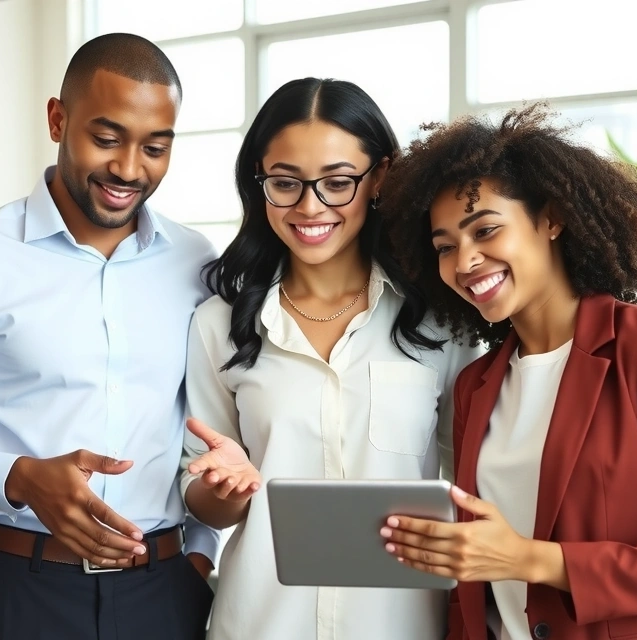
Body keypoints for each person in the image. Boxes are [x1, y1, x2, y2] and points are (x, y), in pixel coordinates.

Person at [0, 33, 218, 640]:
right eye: (106, 139)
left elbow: (209, 434)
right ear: (57, 119)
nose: (129, 168)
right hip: (19, 594)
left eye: (155, 147)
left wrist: (199, 556)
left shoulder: (198, 266)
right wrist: (17, 477)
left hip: (166, 593)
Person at [379, 103, 637, 640]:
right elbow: (477, 579)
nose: (464, 261)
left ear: (552, 218)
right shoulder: (477, 384)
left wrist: (533, 561)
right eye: (445, 247)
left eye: (485, 230)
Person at [179, 77, 481, 640]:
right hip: (262, 624)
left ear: (380, 177)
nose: (310, 207)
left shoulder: (442, 322)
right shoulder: (218, 325)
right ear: (259, 182)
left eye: (338, 182)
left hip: (402, 626)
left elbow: (474, 485)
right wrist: (226, 489)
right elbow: (206, 507)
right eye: (285, 183)